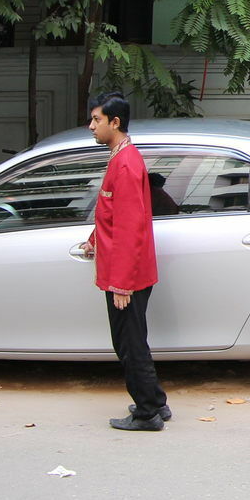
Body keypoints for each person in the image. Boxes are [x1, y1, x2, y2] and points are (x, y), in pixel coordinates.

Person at [81, 92, 169, 431]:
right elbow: (113, 215)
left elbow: (131, 228)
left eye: (97, 120)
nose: (92, 126)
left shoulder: (127, 163)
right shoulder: (122, 158)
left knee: (129, 346)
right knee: (134, 342)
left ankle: (147, 413)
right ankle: (156, 402)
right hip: (127, 271)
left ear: (114, 123)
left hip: (127, 276)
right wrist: (94, 242)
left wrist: (122, 284)